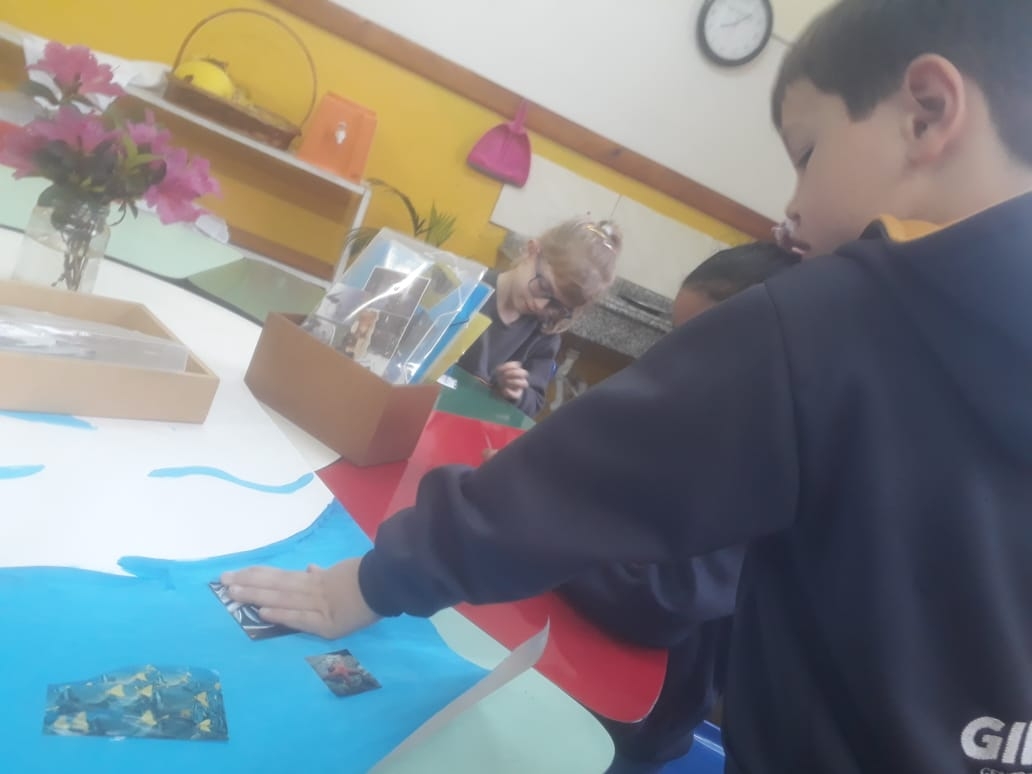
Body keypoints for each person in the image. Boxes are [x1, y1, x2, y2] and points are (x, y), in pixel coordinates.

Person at [223, 2, 1032, 772]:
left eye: (807, 154)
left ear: (926, 114)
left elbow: (566, 488)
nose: (791, 208)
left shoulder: (839, 318)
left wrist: (370, 581)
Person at [556, 242, 799, 774]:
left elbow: (659, 601)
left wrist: (547, 534)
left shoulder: (774, 463)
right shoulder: (704, 416)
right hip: (587, 665)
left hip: (640, 716)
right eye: (676, 336)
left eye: (701, 342)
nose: (677, 359)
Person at [456, 216, 621, 417]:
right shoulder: (466, 288)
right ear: (532, 251)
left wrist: (517, 393)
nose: (540, 305)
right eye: (543, 286)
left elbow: (534, 403)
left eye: (557, 306)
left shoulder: (544, 338)